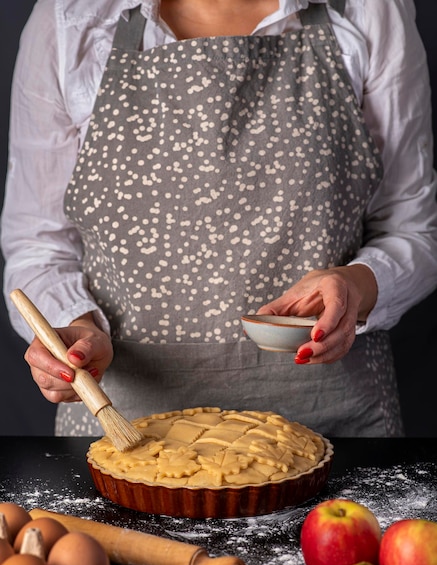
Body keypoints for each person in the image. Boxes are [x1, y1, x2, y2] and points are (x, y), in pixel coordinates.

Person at [2, 0, 437, 438]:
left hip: (336, 428)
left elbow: (414, 230)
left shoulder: (368, 11)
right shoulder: (70, 20)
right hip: (123, 433)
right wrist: (75, 331)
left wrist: (355, 286)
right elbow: (38, 247)